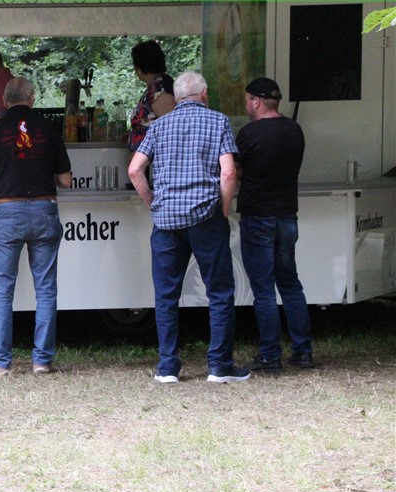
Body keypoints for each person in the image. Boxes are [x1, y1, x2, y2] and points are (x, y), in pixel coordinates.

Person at [128, 71, 250, 384]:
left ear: (178, 97)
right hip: (206, 217)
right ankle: (219, 366)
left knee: (166, 295)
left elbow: (135, 170)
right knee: (219, 292)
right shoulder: (218, 121)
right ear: (204, 94)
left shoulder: (159, 126)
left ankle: (168, 367)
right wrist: (223, 210)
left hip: (166, 222)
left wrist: (154, 204)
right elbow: (228, 173)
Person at [0, 77, 73, 376]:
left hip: (7, 210)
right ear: (33, 98)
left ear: (4, 100)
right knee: (46, 288)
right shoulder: (48, 129)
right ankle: (42, 360)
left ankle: (0, 362)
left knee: (2, 290)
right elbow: (65, 179)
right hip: (44, 209)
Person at [236, 77, 315, 371]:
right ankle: (303, 351)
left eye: (247, 101)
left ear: (257, 101)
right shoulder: (295, 130)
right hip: (287, 216)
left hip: (258, 216)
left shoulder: (249, 134)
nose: (246, 106)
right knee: (290, 284)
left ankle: (270, 355)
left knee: (264, 289)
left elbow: (236, 171)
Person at [128, 40, 176, 152]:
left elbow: (171, 128)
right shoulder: (155, 87)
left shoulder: (161, 89)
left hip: (154, 158)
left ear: (139, 67)